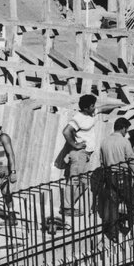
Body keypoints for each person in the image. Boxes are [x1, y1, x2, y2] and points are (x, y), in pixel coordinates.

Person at [52, 93, 99, 228]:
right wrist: (75, 144)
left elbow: (102, 108)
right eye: (92, 106)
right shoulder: (78, 118)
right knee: (74, 181)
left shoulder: (90, 114)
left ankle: (68, 205)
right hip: (79, 155)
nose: (95, 108)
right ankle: (66, 208)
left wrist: (118, 105)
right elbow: (66, 131)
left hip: (85, 155)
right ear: (86, 108)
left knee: (83, 183)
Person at [97, 115, 134, 232]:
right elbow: (132, 162)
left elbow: (102, 162)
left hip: (109, 176)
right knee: (132, 204)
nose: (126, 133)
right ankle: (133, 230)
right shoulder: (124, 142)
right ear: (123, 128)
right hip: (122, 176)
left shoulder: (104, 141)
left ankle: (113, 233)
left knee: (113, 205)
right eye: (126, 130)